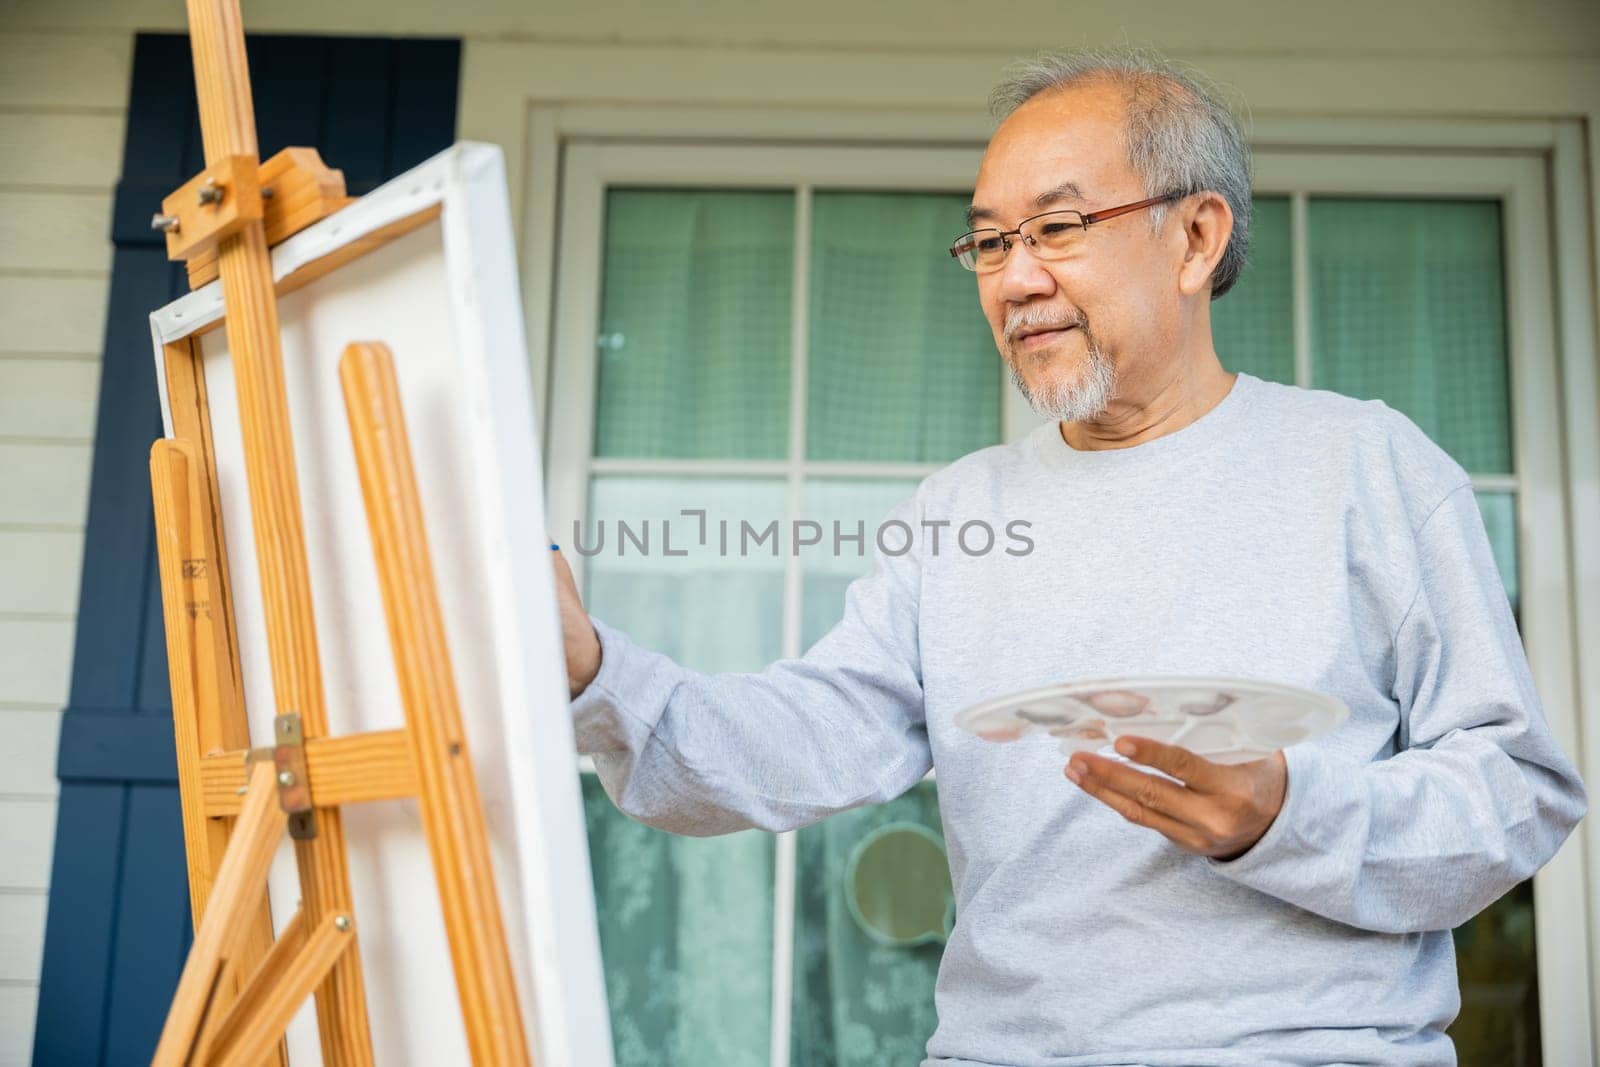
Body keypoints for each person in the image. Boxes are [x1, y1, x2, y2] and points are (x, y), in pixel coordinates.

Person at [550, 46, 1587, 1067]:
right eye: (989, 243)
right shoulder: (956, 513)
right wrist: (595, 674)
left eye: (1055, 227)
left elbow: (1513, 791)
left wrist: (1286, 813)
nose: (1016, 278)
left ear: (1194, 237)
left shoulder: (1366, 467)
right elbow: (798, 742)